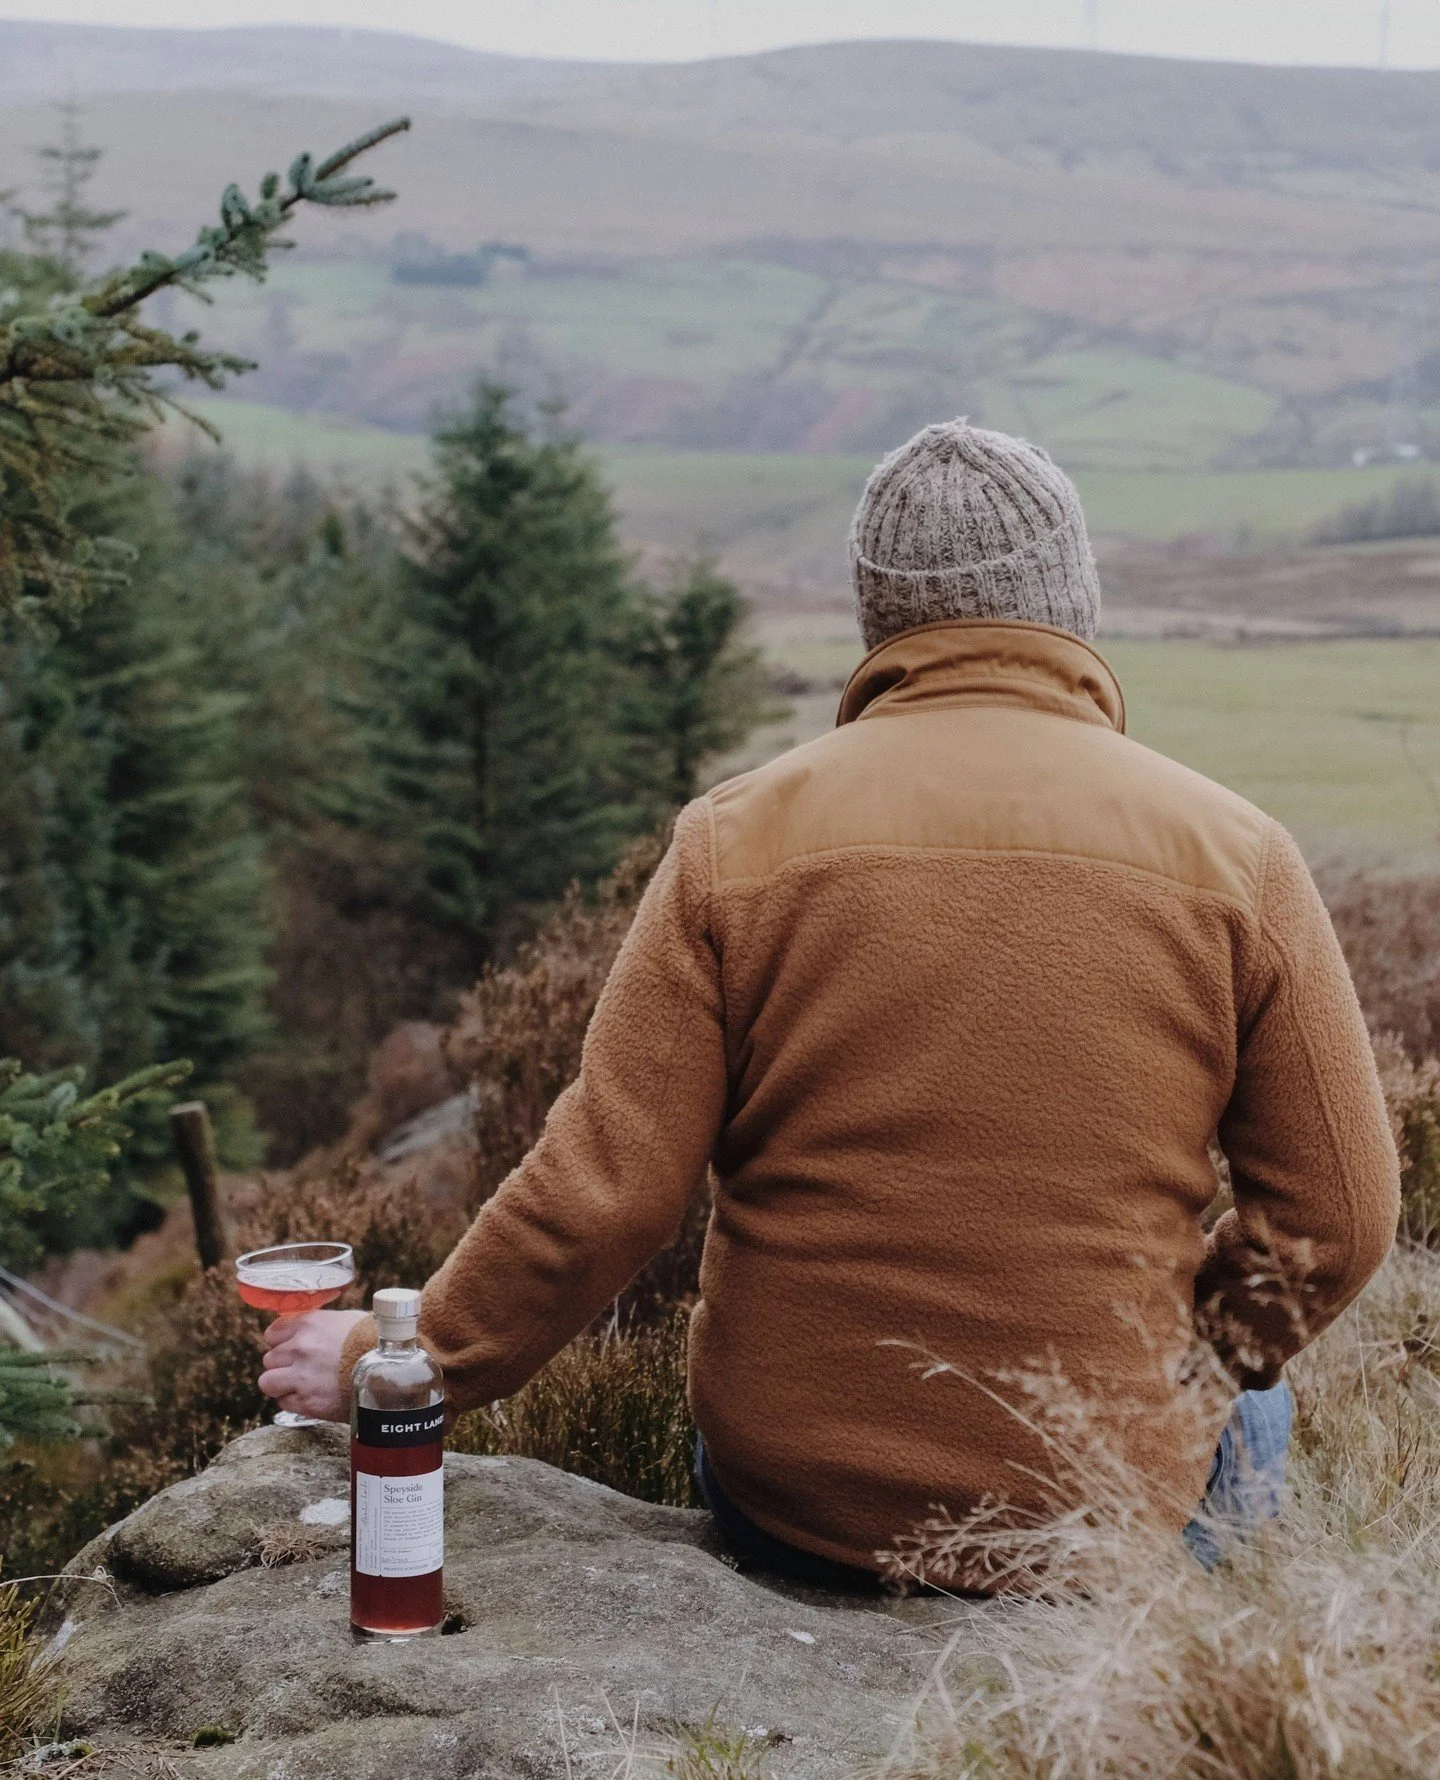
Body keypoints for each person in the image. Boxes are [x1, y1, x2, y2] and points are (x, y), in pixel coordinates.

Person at [261, 421, 1400, 1590]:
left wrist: (395, 1356)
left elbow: (603, 1194)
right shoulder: (1236, 854)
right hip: (1102, 1505)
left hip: (793, 1498)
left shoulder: (735, 843)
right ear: (1072, 603)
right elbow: (1346, 1218)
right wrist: (1196, 1361)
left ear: (878, 620)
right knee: (1259, 1415)